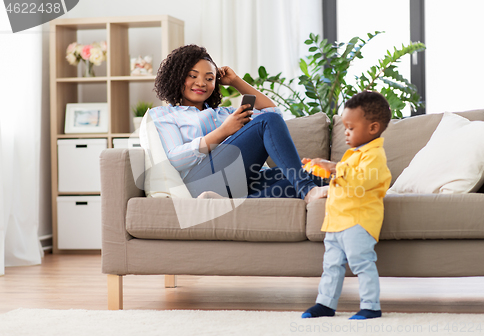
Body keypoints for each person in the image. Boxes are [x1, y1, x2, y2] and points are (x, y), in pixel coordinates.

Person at [150, 44, 324, 201]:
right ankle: (307, 189)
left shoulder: (224, 113)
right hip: (199, 182)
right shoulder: (165, 114)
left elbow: (274, 113)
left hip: (237, 181)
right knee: (266, 124)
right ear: (177, 78)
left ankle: (226, 203)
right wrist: (223, 131)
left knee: (316, 176)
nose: (201, 83)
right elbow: (175, 158)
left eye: (209, 78)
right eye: (192, 76)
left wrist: (235, 81)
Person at [301, 90, 392, 320]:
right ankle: (325, 303)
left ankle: (371, 306)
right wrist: (320, 169)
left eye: (350, 128)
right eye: (345, 128)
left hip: (358, 222)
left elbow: (361, 180)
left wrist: (333, 167)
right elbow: (343, 181)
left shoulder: (374, 156)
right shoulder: (352, 155)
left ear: (372, 128)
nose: (346, 134)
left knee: (362, 264)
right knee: (331, 266)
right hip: (337, 222)